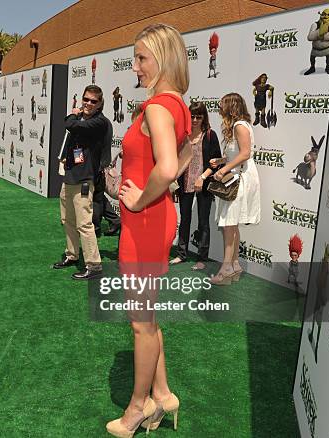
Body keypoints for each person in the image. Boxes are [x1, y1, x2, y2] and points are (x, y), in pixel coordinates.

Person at [106, 24, 192, 437]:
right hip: (155, 218)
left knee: (141, 323)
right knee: (149, 317)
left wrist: (138, 199)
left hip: (144, 221)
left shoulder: (158, 106)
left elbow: (170, 167)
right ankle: (163, 393)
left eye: (141, 58)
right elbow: (187, 154)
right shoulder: (178, 104)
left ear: (163, 57)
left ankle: (137, 408)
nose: (135, 67)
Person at [52, 85, 111, 280]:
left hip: (85, 179)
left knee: (85, 224)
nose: (88, 103)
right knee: (67, 220)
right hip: (70, 176)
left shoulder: (100, 122)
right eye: (86, 99)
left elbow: (71, 124)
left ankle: (94, 265)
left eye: (93, 101)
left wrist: (73, 114)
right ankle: (72, 255)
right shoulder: (82, 119)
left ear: (100, 104)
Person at [210, 93, 261, 285]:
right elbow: (237, 154)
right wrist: (222, 160)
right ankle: (235, 265)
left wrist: (223, 169)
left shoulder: (239, 125)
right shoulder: (236, 126)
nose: (219, 107)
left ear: (231, 107)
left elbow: (246, 153)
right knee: (232, 224)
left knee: (229, 224)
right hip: (238, 176)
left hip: (241, 179)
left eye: (222, 104)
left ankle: (226, 270)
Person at [170, 101, 222, 270]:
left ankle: (202, 258)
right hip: (185, 183)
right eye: (192, 116)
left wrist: (203, 176)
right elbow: (176, 160)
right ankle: (181, 254)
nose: (194, 120)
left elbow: (217, 161)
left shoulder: (210, 135)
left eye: (199, 116)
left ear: (204, 117)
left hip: (204, 183)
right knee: (184, 219)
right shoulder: (183, 135)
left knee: (203, 221)